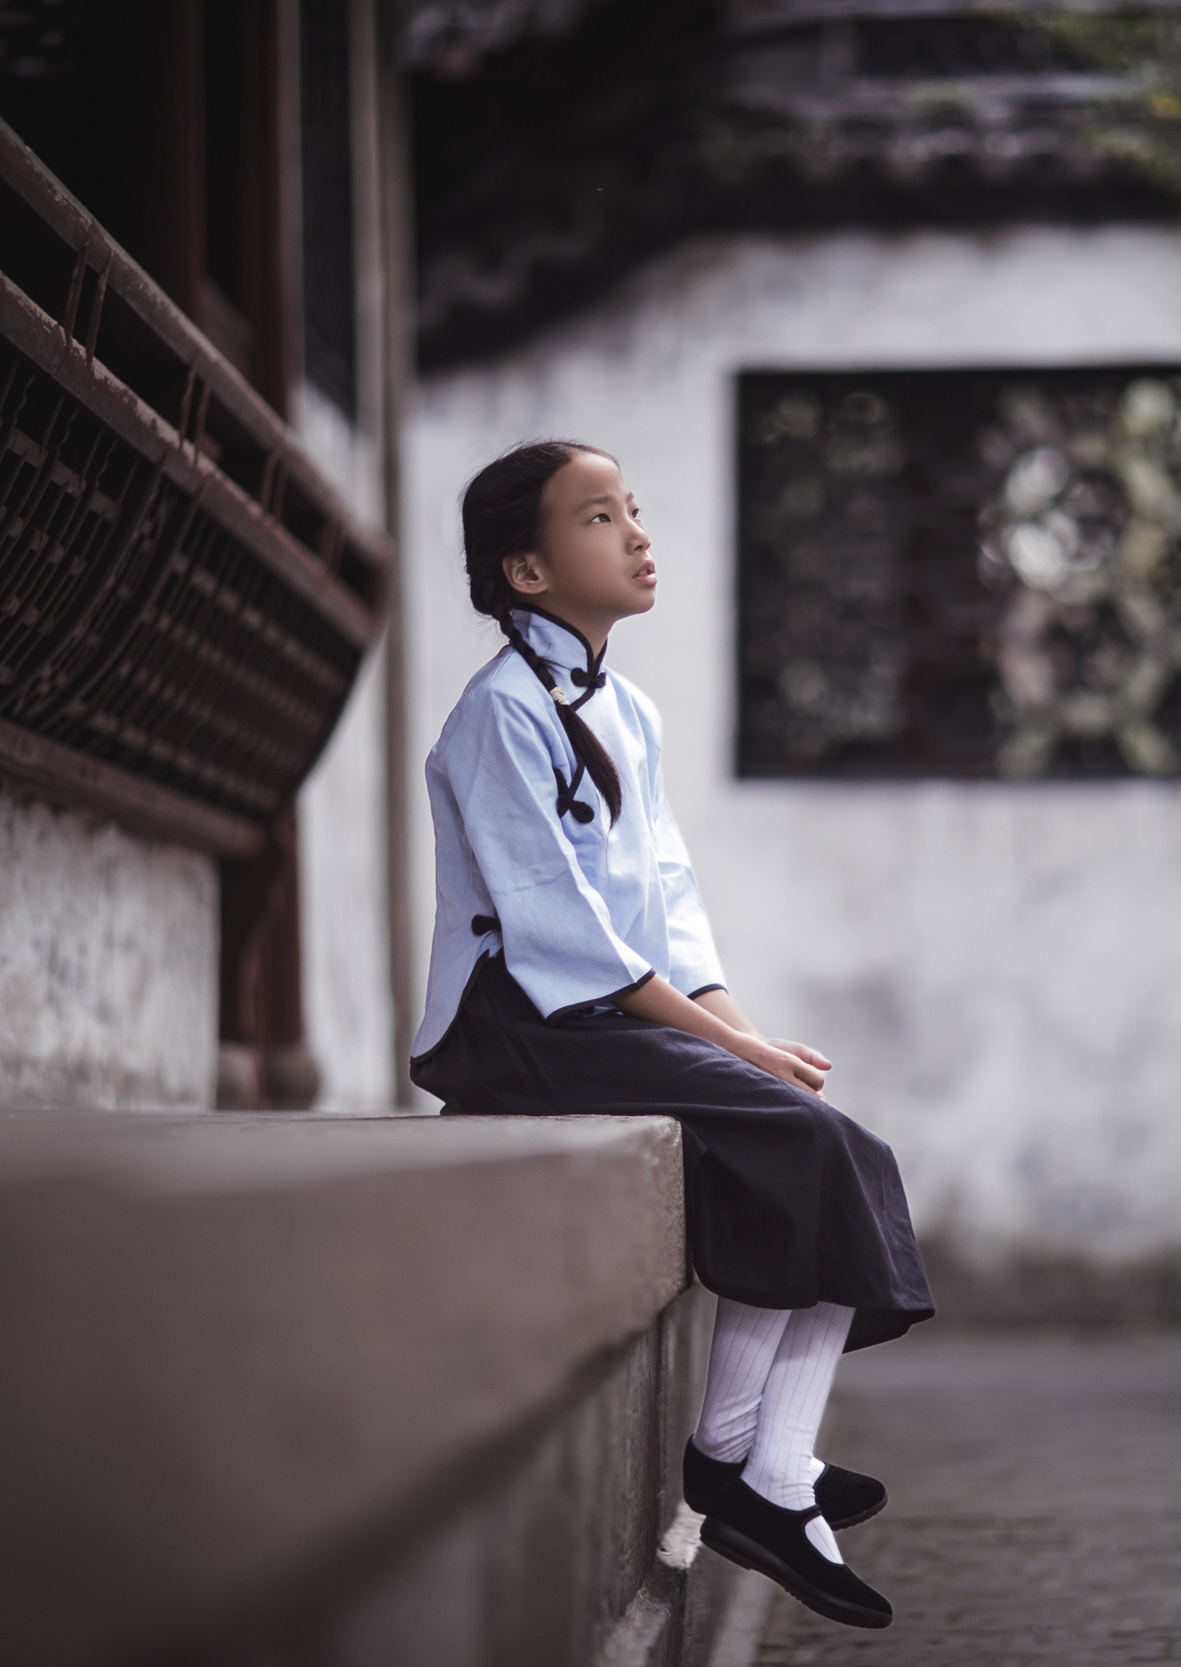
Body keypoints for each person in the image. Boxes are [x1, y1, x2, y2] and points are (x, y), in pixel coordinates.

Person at [410, 439, 934, 1630]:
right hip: (516, 1023)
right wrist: (733, 1055)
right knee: (808, 1141)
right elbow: (561, 926)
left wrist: (747, 1031)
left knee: (818, 1139)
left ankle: (745, 1465)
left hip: (603, 1011)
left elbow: (665, 895)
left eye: (633, 510)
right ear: (528, 570)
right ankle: (763, 1475)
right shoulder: (497, 715)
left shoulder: (627, 708)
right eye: (600, 518)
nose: (639, 535)